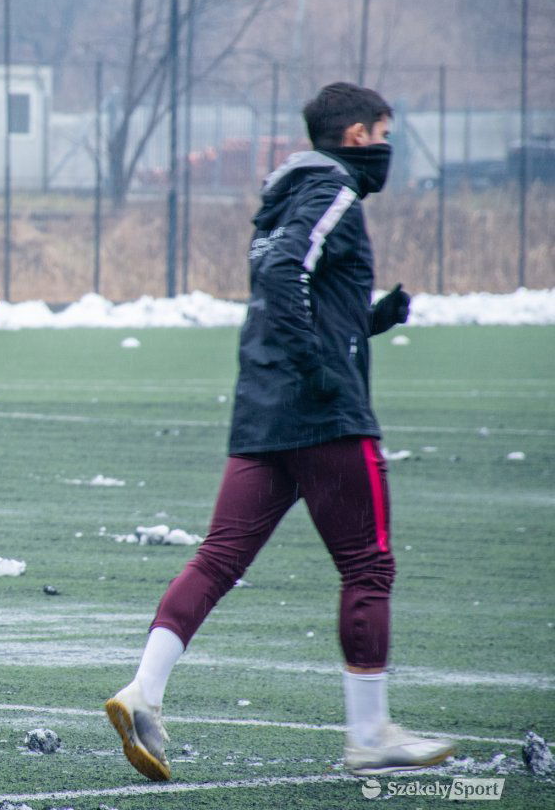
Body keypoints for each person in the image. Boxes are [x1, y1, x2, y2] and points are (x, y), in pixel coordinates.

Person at [105, 82, 455, 780]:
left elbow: (294, 288)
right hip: (323, 415)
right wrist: (323, 369)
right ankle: (370, 734)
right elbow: (284, 269)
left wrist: (368, 319)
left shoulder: (291, 191)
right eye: (384, 131)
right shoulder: (333, 190)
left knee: (217, 558)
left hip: (264, 413)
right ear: (357, 136)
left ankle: (144, 691)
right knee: (368, 566)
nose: (390, 146)